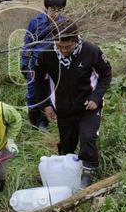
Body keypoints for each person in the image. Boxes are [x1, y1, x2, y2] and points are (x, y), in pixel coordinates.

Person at [32, 19, 112, 186]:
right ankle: (65, 172)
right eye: (60, 46)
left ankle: (89, 171)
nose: (64, 50)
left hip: (88, 106)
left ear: (76, 40)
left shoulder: (91, 51)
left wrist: (96, 97)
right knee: (67, 144)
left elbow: (106, 75)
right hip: (63, 108)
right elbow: (39, 82)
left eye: (68, 47)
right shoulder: (46, 55)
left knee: (87, 137)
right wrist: (46, 105)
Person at [21, 0, 67, 130]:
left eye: (59, 10)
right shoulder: (35, 22)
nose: (55, 13)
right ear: (46, 8)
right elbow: (28, 44)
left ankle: (43, 122)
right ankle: (33, 120)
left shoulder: (65, 23)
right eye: (52, 9)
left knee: (49, 92)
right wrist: (24, 64)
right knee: (32, 93)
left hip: (54, 64)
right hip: (36, 64)